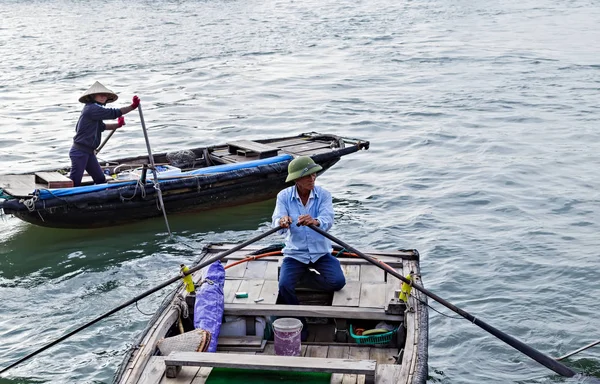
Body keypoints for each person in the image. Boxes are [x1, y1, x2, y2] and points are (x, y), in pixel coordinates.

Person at [272, 156, 346, 310]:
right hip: (295, 253)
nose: (312, 179)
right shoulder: (284, 196)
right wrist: (282, 222)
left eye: (314, 175)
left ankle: (302, 277)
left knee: (338, 282)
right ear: (296, 180)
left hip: (321, 252)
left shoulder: (324, 195)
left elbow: (328, 219)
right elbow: (277, 220)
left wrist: (315, 221)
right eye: (307, 176)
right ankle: (299, 319)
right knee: (284, 286)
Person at [69, 81, 140, 187]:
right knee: (75, 182)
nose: (103, 96)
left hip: (89, 152)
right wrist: (132, 107)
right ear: (93, 96)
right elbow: (113, 113)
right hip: (80, 152)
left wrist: (118, 125)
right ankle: (69, 201)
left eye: (105, 95)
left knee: (100, 179)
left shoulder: (95, 111)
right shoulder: (92, 109)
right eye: (100, 94)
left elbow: (101, 127)